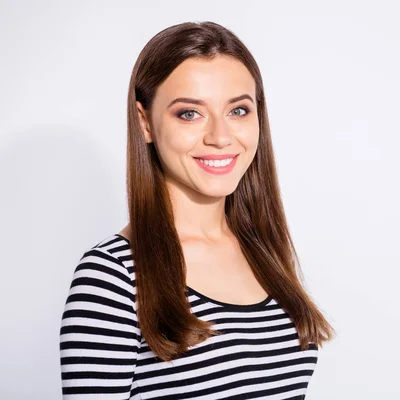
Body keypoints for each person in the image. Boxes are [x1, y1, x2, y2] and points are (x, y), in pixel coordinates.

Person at [59, 20, 334, 399]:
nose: (220, 137)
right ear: (145, 122)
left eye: (238, 110)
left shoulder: (263, 248)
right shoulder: (113, 276)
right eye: (190, 113)